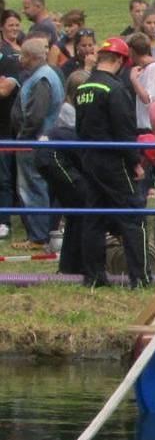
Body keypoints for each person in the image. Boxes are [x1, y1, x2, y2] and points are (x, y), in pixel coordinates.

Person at [75, 37, 148, 288]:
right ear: (119, 61)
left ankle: (94, 277)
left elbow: (79, 128)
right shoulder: (115, 90)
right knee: (132, 217)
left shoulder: (83, 87)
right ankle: (140, 277)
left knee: (94, 219)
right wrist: (135, 162)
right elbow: (124, 130)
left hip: (89, 159)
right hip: (114, 161)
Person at [11, 38, 64, 251]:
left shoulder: (42, 79)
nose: (20, 60)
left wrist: (23, 137)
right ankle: (41, 233)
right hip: (38, 141)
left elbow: (35, 116)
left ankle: (38, 236)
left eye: (22, 55)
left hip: (33, 143)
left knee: (32, 188)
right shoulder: (46, 74)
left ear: (31, 57)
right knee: (38, 187)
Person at [36, 70, 89, 274]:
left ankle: (69, 266)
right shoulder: (70, 111)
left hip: (58, 156)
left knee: (77, 210)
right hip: (54, 156)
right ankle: (76, 264)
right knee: (82, 201)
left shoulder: (71, 110)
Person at [127, 32, 155, 134]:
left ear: (131, 51)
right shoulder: (146, 69)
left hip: (151, 127)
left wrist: (134, 80)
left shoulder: (154, 69)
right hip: (146, 126)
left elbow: (148, 100)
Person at [0, 38, 20, 239]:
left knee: (4, 178)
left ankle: (3, 221)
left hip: (4, 130)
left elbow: (4, 91)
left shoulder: (9, 61)